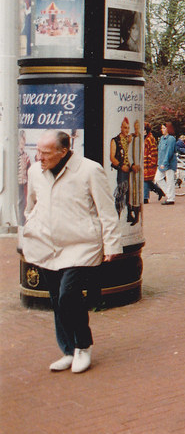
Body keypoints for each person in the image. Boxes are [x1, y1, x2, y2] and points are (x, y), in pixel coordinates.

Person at [21, 130, 121, 373]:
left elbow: (107, 210)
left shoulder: (89, 170)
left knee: (68, 295)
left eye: (45, 153)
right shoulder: (35, 171)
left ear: (63, 152)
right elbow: (31, 204)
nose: (39, 157)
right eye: (38, 151)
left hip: (81, 245)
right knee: (57, 299)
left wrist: (112, 244)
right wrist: (32, 226)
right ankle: (67, 350)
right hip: (47, 245)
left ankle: (83, 346)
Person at [155, 121, 179, 206]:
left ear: (168, 129)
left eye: (164, 128)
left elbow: (169, 152)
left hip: (169, 163)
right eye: (162, 128)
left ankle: (170, 198)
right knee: (158, 179)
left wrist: (164, 162)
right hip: (161, 162)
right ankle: (169, 195)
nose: (162, 130)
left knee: (170, 181)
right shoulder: (162, 138)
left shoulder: (171, 139)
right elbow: (160, 151)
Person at [142, 123, 164, 204]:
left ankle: (145, 198)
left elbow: (153, 151)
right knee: (146, 180)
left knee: (145, 179)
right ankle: (159, 190)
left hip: (148, 163)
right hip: (145, 163)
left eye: (144, 130)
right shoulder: (145, 138)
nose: (143, 131)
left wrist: (153, 162)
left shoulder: (149, 138)